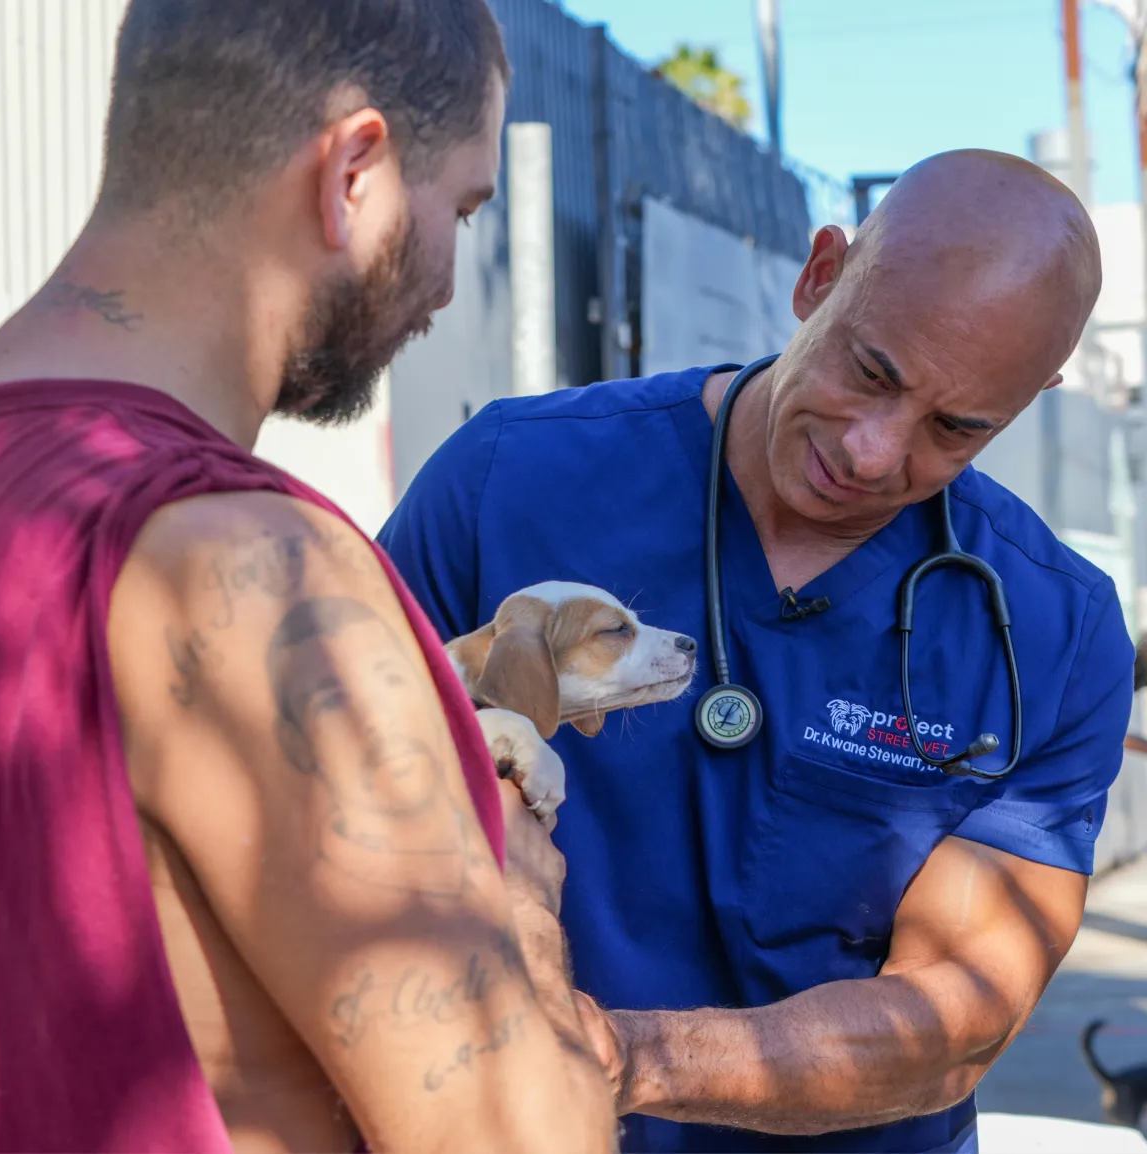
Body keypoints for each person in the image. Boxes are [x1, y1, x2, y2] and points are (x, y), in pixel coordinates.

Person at [0, 2, 619, 1151]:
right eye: (459, 205)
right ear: (354, 169)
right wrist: (511, 890)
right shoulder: (255, 568)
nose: (453, 280)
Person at [379, 149, 1135, 1153]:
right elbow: (331, 803)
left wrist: (611, 1056)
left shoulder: (1052, 631)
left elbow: (952, 1020)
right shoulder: (508, 479)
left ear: (1026, 402)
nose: (873, 452)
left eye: (953, 428)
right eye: (871, 370)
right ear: (821, 274)